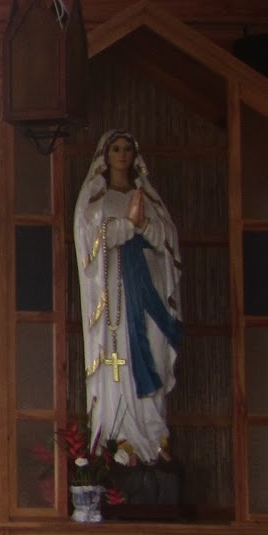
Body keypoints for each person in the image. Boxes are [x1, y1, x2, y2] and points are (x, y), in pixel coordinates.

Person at [72, 129, 183, 462]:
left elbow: (168, 242)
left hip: (147, 292)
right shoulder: (95, 200)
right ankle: (119, 440)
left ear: (136, 156)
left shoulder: (147, 198)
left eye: (128, 149)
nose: (122, 154)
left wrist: (146, 225)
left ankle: (154, 437)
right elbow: (88, 241)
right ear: (104, 156)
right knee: (116, 359)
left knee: (153, 350)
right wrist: (127, 226)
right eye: (116, 148)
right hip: (112, 300)